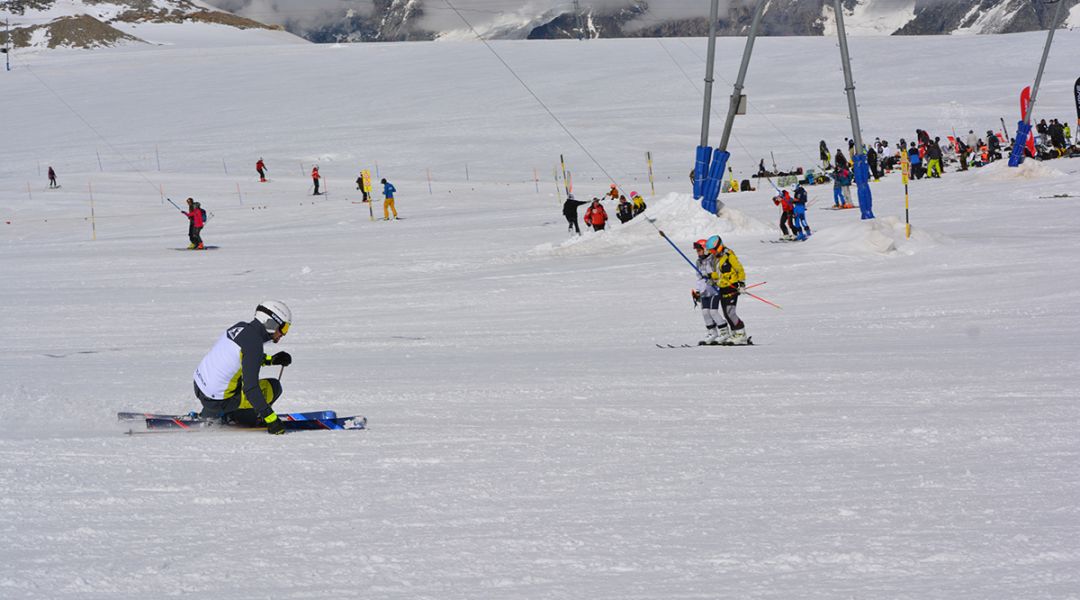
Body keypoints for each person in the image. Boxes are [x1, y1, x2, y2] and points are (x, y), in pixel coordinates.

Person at [193, 301, 293, 435]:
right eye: (284, 328)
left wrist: (271, 360)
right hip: (218, 400)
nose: (283, 334)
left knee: (236, 382)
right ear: (271, 323)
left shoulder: (241, 327)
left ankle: (211, 413)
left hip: (199, 386)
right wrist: (271, 419)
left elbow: (239, 357)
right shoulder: (254, 345)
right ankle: (234, 417)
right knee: (273, 387)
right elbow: (250, 388)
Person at [704, 235, 748, 345]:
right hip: (723, 288)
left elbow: (739, 269)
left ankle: (741, 334)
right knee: (726, 313)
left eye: (713, 250)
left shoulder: (729, 255)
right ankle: (735, 333)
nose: (712, 253)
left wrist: (741, 284)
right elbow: (718, 274)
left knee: (730, 312)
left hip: (732, 287)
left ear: (718, 247)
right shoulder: (715, 258)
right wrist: (711, 278)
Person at [690, 239, 723, 345]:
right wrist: (698, 291)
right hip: (705, 291)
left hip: (714, 290)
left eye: (699, 250)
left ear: (705, 249)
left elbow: (717, 274)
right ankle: (712, 333)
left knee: (713, 312)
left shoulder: (712, 259)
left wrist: (711, 278)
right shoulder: (698, 262)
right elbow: (699, 278)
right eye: (697, 251)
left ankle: (724, 332)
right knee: (705, 312)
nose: (698, 252)